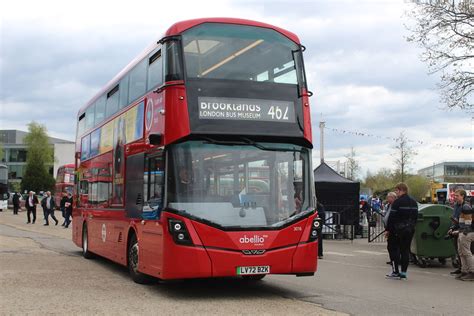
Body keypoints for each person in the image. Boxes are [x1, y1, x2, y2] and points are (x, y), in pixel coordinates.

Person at [385, 183, 418, 280]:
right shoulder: (414, 202)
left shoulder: (397, 202)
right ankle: (403, 273)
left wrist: (388, 230)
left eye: (396, 191)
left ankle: (395, 271)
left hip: (397, 230)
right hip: (409, 230)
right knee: (405, 250)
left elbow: (392, 218)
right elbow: (416, 217)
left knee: (393, 248)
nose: (396, 192)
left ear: (400, 190)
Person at [449, 189, 473, 281]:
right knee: (461, 252)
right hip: (461, 231)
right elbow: (458, 220)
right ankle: (464, 270)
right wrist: (453, 228)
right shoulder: (457, 206)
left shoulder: (466, 207)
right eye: (454, 195)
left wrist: (459, 231)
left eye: (457, 195)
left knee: (466, 252)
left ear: (463, 196)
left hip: (466, 232)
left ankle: (471, 272)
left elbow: (467, 223)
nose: (455, 197)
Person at [383, 192, 397, 265]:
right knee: (390, 246)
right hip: (388, 227)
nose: (388, 199)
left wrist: (388, 229)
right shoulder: (389, 205)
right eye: (388, 197)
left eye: (389, 197)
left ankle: (395, 261)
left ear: (394, 198)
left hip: (393, 229)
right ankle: (392, 260)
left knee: (392, 246)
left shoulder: (395, 205)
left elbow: (392, 218)